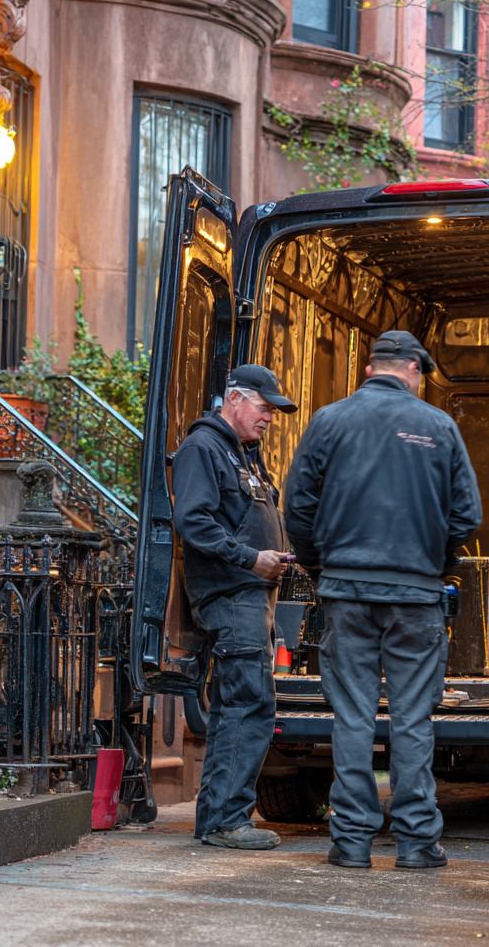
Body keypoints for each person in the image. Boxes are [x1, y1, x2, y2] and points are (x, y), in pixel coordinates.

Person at [283, 330, 481, 870]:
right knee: (414, 717)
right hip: (416, 595)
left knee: (351, 716)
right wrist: (436, 566)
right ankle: (417, 842)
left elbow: (297, 504)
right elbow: (467, 515)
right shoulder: (438, 427)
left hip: (345, 591)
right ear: (414, 370)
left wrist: (320, 563)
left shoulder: (329, 420)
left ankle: (351, 843)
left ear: (370, 369)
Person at [171, 364, 297, 850]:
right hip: (231, 594)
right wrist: (250, 558)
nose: (269, 417)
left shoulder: (240, 452)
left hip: (248, 595)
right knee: (248, 704)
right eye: (264, 407)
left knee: (237, 706)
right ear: (236, 399)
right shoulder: (204, 447)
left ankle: (218, 819)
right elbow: (194, 523)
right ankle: (227, 821)